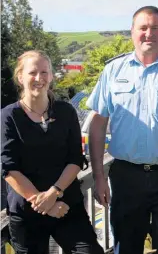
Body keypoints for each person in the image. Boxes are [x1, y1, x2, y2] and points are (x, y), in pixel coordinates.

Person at [86, 6, 158, 254]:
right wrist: (99, 177)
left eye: (155, 28)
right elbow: (97, 126)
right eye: (142, 28)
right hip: (126, 177)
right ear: (132, 32)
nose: (148, 33)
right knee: (126, 247)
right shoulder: (113, 71)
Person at [1, 50, 104, 254]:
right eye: (32, 73)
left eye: (44, 72)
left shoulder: (66, 111)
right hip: (27, 210)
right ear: (20, 77)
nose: (39, 78)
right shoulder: (8, 116)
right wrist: (46, 204)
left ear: (51, 76)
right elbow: (9, 168)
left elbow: (75, 158)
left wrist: (54, 193)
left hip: (67, 206)